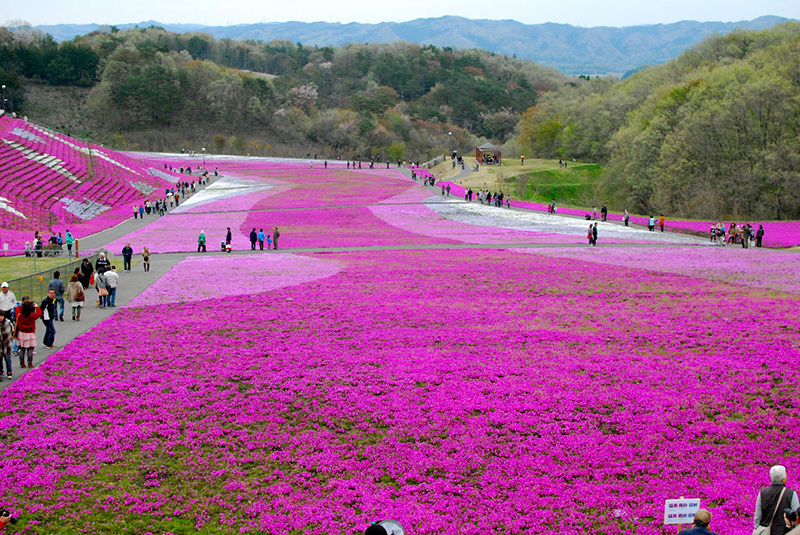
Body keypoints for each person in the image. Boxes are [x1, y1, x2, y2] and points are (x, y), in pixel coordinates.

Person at [755, 465, 799, 535]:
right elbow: (797, 517)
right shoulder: (791, 494)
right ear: (783, 479)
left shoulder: (762, 493)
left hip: (766, 532)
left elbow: (757, 518)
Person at [14, 298, 41, 368]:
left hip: (21, 333)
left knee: (22, 348)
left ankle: (21, 363)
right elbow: (39, 314)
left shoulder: (20, 315)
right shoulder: (32, 315)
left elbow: (16, 310)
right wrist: (37, 307)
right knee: (30, 349)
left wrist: (23, 305)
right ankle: (30, 363)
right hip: (30, 333)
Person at [0, 310, 12, 380]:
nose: (0, 318)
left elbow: (8, 333)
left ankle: (9, 372)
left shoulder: (7, 323)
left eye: (2, 316)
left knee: (8, 358)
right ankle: (1, 372)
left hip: (7, 344)